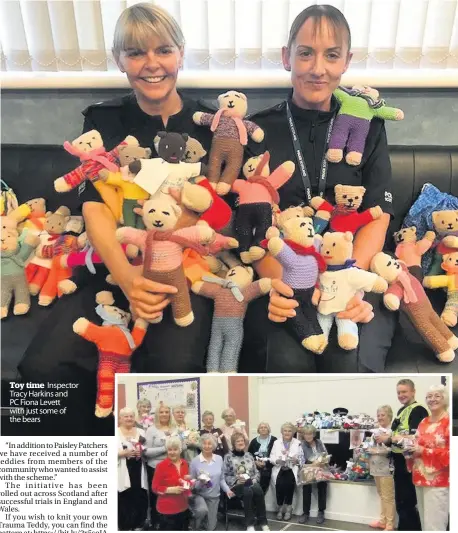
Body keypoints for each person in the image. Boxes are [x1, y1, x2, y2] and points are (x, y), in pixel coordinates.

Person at [17, 1, 218, 437]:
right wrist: (127, 278)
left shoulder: (210, 124)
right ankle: (76, 490)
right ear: (119, 60)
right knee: (39, 369)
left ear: (181, 54)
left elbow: (219, 211)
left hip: (181, 273)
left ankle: (152, 493)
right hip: (113, 270)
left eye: (163, 50)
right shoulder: (102, 118)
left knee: (169, 368)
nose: (151, 65)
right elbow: (93, 209)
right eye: (135, 53)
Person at [243, 3, 396, 373]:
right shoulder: (257, 130)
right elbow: (250, 223)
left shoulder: (367, 129)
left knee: (347, 364)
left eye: (331, 55)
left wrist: (345, 285)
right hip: (284, 275)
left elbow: (379, 213)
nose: (317, 68)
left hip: (352, 272)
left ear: (346, 61)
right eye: (305, 53)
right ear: (286, 57)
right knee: (283, 363)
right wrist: (286, 283)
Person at [375, 379, 428, 531]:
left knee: (407, 500)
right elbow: (393, 435)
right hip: (398, 460)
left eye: (404, 392)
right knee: (401, 501)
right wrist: (385, 439)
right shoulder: (401, 411)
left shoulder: (418, 410)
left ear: (413, 391)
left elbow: (414, 439)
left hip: (410, 462)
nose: (401, 395)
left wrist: (390, 439)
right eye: (399, 392)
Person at [407, 385, 450, 532]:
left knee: (435, 525)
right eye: (429, 396)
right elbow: (416, 443)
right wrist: (409, 450)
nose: (432, 399)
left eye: (437, 396)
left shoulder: (449, 423)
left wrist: (424, 451)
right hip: (419, 476)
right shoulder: (423, 422)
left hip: (438, 481)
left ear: (445, 399)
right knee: (425, 523)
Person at [223, 432, 270, 532]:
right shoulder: (228, 457)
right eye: (237, 441)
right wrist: (237, 480)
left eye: (242, 440)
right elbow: (225, 475)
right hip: (236, 485)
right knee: (247, 491)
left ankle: (263, 522)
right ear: (233, 444)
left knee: (258, 489)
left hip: (251, 483)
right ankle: (250, 524)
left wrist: (254, 480)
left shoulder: (249, 455)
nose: (240, 442)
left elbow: (256, 472)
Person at [144, 402, 178, 528]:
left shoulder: (175, 428)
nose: (164, 414)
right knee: (156, 497)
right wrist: (165, 448)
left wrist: (181, 444)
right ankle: (156, 523)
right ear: (157, 414)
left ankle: (171, 522)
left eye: (166, 412)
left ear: (170, 414)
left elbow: (183, 446)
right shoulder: (151, 430)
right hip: (155, 468)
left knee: (172, 496)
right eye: (161, 412)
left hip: (173, 468)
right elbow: (146, 452)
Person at [189, 433, 232, 531]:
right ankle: (195, 526)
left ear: (213, 446)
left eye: (209, 444)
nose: (207, 446)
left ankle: (205, 522)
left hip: (214, 497)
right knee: (201, 511)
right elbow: (191, 483)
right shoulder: (195, 461)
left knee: (210, 528)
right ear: (201, 445)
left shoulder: (219, 459)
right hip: (199, 495)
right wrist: (200, 482)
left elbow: (221, 479)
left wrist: (228, 490)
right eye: (204, 443)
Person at [117, 407, 148, 531]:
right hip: (123, 470)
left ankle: (138, 525)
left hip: (139, 469)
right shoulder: (115, 432)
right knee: (125, 498)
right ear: (120, 419)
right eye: (126, 416)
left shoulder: (142, 432)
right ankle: (125, 527)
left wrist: (142, 453)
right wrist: (122, 453)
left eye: (131, 416)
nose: (129, 418)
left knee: (140, 497)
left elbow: (147, 450)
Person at [152, 436, 190, 531]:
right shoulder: (161, 466)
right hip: (167, 510)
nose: (172, 452)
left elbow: (186, 482)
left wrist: (189, 483)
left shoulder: (185, 463)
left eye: (175, 449)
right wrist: (169, 490)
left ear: (180, 450)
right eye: (169, 450)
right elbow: (155, 488)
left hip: (183, 507)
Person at [368, 405, 395, 531]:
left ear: (389, 416)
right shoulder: (375, 432)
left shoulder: (392, 433)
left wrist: (376, 451)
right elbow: (370, 447)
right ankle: (383, 520)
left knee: (388, 496)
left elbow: (392, 450)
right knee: (381, 494)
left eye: (383, 415)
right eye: (378, 415)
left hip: (387, 469)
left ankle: (390, 523)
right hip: (375, 467)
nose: (380, 417)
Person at [269, 423, 303, 521]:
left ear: (293, 432)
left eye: (289, 431)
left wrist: (297, 461)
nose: (287, 433)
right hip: (279, 469)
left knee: (289, 489)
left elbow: (301, 458)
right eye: (285, 431)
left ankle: (288, 509)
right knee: (279, 488)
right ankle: (280, 509)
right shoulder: (276, 442)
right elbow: (271, 457)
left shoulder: (297, 443)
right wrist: (277, 461)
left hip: (291, 470)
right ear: (282, 432)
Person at [298, 425, 328, 525]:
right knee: (306, 488)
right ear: (303, 435)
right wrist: (312, 465)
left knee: (322, 487)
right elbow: (301, 463)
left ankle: (321, 512)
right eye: (306, 434)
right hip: (308, 470)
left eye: (310, 433)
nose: (308, 436)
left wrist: (323, 461)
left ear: (314, 434)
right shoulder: (301, 445)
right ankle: (306, 513)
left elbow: (326, 455)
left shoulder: (319, 442)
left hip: (321, 469)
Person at [248, 422, 277, 494]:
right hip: (256, 467)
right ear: (258, 430)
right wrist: (255, 461)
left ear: (268, 429)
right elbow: (249, 455)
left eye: (265, 427)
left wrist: (266, 463)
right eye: (261, 427)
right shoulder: (254, 441)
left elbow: (276, 454)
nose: (263, 429)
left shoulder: (274, 440)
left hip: (270, 466)